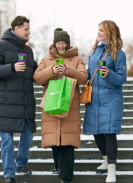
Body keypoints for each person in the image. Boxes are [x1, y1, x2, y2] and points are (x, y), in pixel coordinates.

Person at [0, 16, 38, 183]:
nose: (29, 32)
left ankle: (21, 163)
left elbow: (34, 73)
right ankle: (9, 175)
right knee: (7, 139)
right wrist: (12, 68)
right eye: (26, 29)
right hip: (6, 102)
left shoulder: (28, 51)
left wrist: (48, 71)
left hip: (25, 102)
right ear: (16, 29)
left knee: (29, 135)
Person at [33, 28, 88, 183]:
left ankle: (66, 176)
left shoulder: (77, 59)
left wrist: (68, 70)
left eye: (64, 43)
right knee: (55, 141)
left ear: (68, 44)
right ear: (54, 43)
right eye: (58, 42)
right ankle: (58, 167)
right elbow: (37, 77)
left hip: (69, 106)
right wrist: (51, 71)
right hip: (51, 103)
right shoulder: (46, 60)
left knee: (67, 142)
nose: (61, 46)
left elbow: (84, 77)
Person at [83, 20, 127, 183]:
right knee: (96, 131)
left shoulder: (119, 54)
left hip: (111, 99)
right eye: (98, 30)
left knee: (109, 132)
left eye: (101, 30)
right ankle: (106, 158)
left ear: (110, 33)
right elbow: (89, 73)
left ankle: (111, 169)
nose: (98, 33)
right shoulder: (93, 52)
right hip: (94, 98)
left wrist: (109, 73)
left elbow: (122, 79)